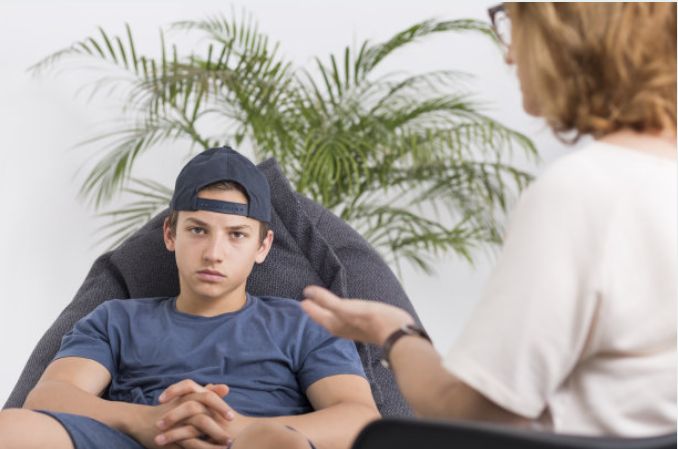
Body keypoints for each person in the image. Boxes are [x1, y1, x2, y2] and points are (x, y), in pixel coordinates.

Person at [301, 2, 677, 437]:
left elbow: (473, 411)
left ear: (566, 33)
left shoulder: (583, 191)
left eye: (515, 24)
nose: (510, 55)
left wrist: (393, 332)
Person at [0, 147, 380, 449]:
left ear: (263, 246)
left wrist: (234, 427)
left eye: (236, 235)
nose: (214, 253)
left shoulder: (304, 323)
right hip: (137, 440)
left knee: (278, 443)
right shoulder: (115, 319)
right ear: (170, 234)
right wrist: (150, 421)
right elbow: (48, 396)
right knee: (11, 429)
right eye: (198, 230)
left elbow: (360, 420)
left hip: (254, 440)